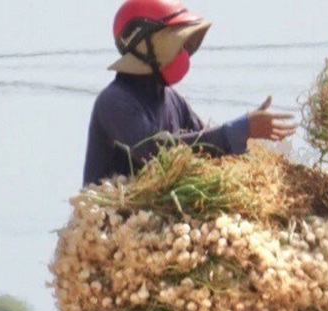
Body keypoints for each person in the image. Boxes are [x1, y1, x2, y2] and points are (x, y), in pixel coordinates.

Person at [83, 0, 297, 186]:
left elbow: (206, 146)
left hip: (163, 224)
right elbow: (155, 150)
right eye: (176, 43)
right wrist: (236, 130)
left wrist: (246, 139)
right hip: (113, 226)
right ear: (143, 46)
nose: (183, 53)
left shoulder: (173, 101)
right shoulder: (114, 101)